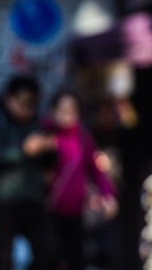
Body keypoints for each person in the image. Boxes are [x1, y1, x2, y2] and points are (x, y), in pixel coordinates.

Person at [0, 76, 57, 270]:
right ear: (9, 99)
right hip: (1, 200)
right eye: (23, 102)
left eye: (33, 103)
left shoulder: (38, 123)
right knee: (2, 257)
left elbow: (48, 163)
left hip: (33, 198)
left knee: (47, 251)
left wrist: (49, 149)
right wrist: (23, 150)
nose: (28, 108)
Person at [43, 91, 117, 270]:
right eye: (62, 110)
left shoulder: (83, 138)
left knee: (76, 256)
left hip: (76, 209)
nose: (66, 115)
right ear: (53, 112)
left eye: (71, 110)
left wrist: (108, 194)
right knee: (49, 257)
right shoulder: (44, 137)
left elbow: (95, 169)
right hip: (48, 208)